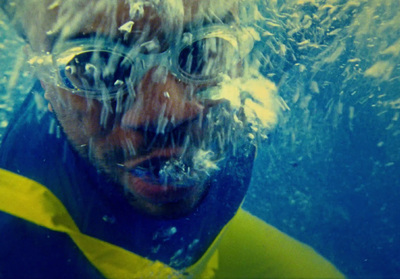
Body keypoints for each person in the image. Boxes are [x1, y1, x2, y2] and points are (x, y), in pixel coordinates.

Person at [0, 0, 345, 278]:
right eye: (95, 65)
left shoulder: (261, 64)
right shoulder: (13, 221)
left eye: (206, 50)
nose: (168, 115)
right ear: (41, 75)